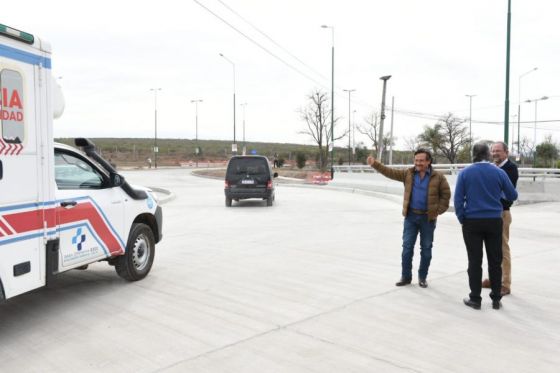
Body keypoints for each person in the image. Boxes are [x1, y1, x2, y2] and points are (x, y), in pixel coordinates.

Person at [367, 149, 450, 288]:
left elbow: (446, 196)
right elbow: (390, 172)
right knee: (407, 248)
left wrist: (436, 212)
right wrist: (375, 164)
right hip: (411, 217)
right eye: (416, 160)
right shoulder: (408, 174)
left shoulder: (439, 177)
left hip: (427, 219)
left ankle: (422, 277)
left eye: (421, 160)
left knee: (426, 249)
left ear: (429, 161)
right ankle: (406, 277)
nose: (418, 163)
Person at [454, 142, 518, 310]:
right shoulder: (499, 172)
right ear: (488, 155)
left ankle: (475, 299)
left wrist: (463, 218)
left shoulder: (465, 173)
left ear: (473, 155)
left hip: (472, 222)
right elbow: (513, 194)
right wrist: (497, 196)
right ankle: (496, 299)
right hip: (494, 221)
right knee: (495, 261)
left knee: (474, 261)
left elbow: (458, 200)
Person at [481, 141, 519, 296]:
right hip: (489, 213)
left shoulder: (510, 169)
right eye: (493, 151)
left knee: (502, 249)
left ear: (506, 152)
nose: (495, 153)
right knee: (491, 249)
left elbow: (507, 195)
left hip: (502, 213)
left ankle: (505, 284)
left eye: (498, 151)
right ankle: (494, 279)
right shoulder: (491, 168)